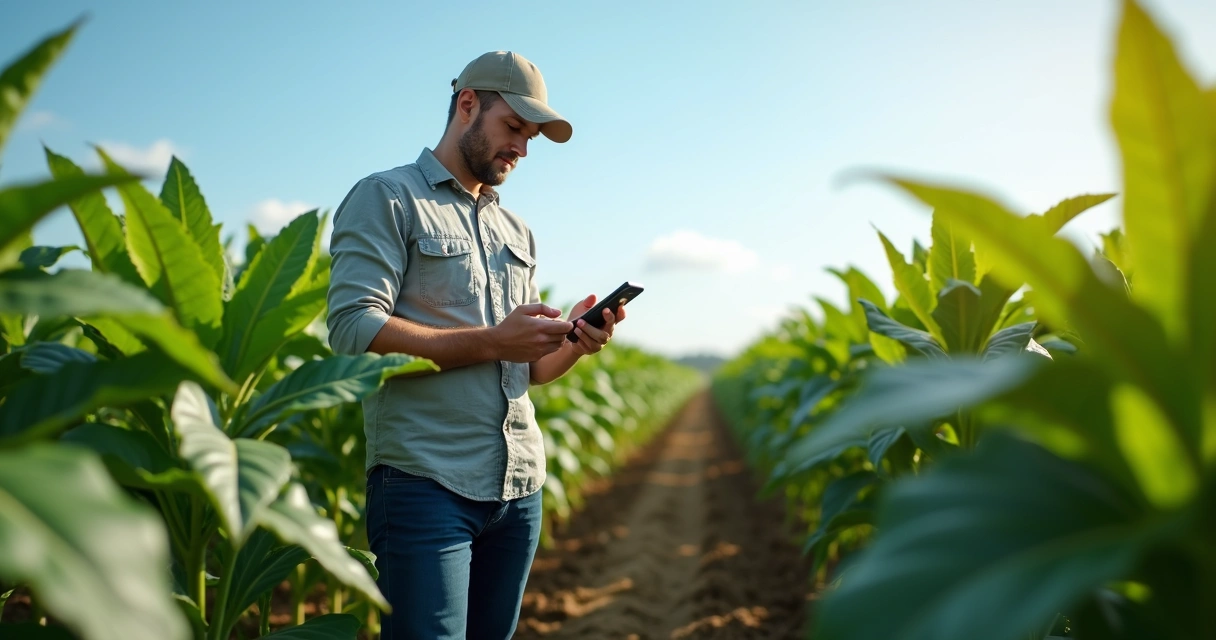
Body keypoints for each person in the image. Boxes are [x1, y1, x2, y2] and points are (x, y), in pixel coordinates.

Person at [325, 51, 625, 639]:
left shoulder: (517, 230)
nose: (523, 148)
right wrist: (492, 340)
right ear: (468, 105)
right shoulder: (388, 197)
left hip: (519, 490)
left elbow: (529, 372)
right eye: (514, 128)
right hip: (424, 484)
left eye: (531, 136)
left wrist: (574, 343)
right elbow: (353, 335)